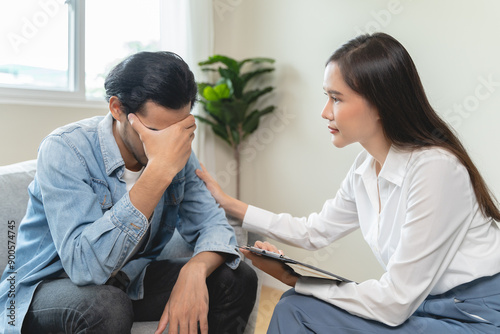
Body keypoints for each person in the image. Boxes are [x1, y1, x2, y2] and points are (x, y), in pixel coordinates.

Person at [196, 33, 500, 333]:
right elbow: (314, 231)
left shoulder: (435, 169)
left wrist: (298, 280)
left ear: (381, 105)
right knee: (294, 304)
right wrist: (229, 203)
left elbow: (394, 303)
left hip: (473, 317)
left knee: (298, 305)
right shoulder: (364, 169)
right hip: (422, 306)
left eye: (336, 98)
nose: (325, 111)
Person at [0, 51, 257, 334]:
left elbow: (213, 225)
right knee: (106, 306)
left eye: (178, 131)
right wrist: (158, 173)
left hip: (126, 281)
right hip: (42, 288)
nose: (169, 145)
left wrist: (194, 270)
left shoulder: (177, 150)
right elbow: (84, 269)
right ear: (117, 109)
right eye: (156, 131)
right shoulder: (65, 150)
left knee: (235, 278)